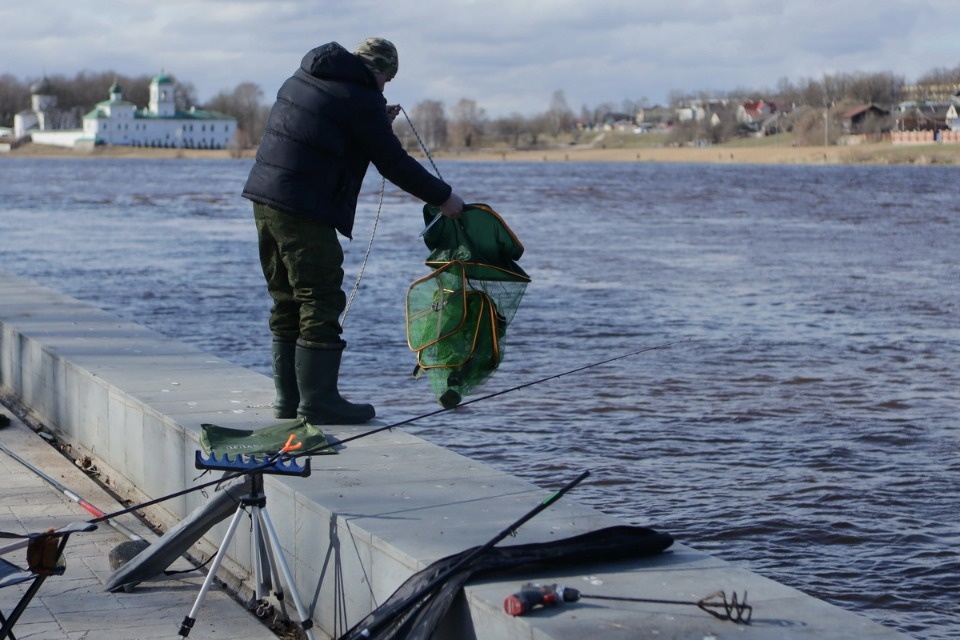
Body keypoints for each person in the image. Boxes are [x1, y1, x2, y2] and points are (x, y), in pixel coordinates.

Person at [242, 37, 464, 425]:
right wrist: (445, 198)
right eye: (387, 79)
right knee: (321, 296)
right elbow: (393, 162)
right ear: (378, 71)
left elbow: (328, 129)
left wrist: (375, 122)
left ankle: (289, 400)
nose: (385, 88)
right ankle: (319, 402)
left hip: (265, 197)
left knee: (286, 296)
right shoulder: (360, 98)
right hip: (303, 206)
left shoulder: (303, 77)